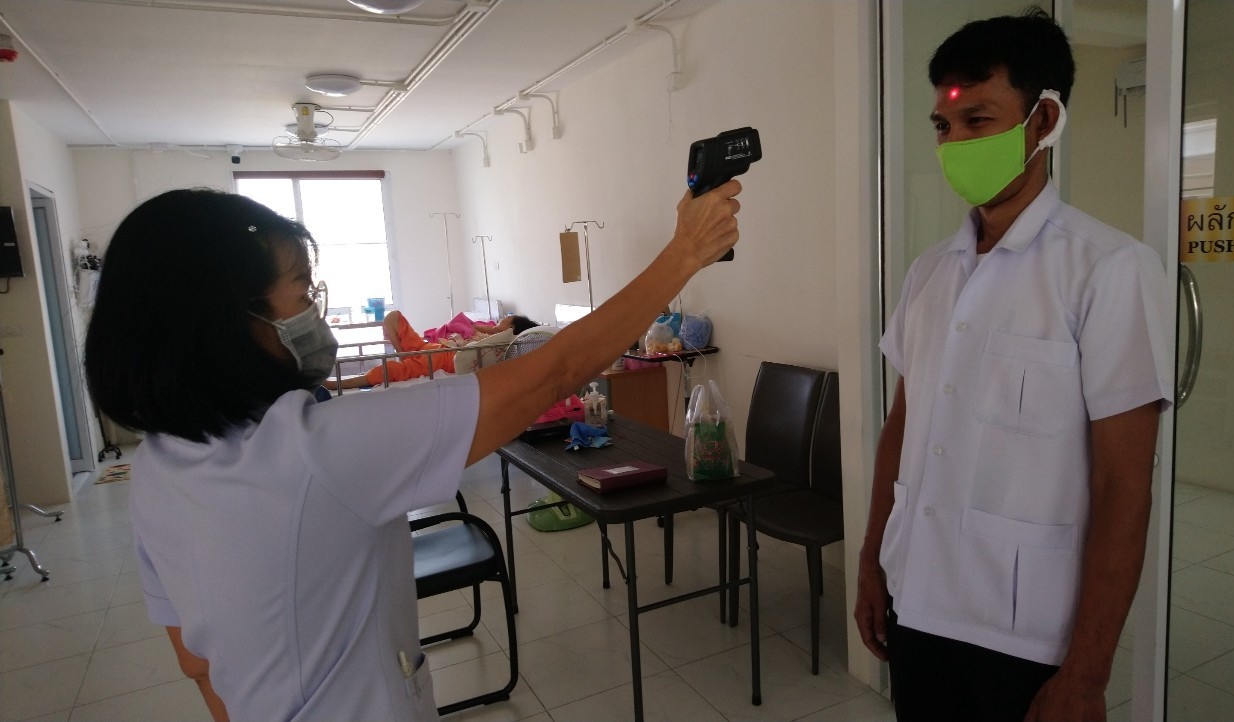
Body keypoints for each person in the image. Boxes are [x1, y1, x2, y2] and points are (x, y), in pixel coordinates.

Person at [82, 182, 740, 721]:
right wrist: (684, 253)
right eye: (303, 293)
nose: (313, 312)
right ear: (228, 322)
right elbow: (555, 371)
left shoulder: (157, 469)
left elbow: (197, 664)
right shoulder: (318, 448)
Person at [853, 9, 1173, 722]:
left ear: (1043, 120)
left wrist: (1086, 675)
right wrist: (873, 560)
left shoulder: (1108, 269)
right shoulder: (930, 272)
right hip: (916, 601)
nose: (955, 143)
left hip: (1025, 632)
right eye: (943, 126)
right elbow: (901, 427)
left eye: (979, 121)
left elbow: (1125, 486)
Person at [324, 310, 536, 389]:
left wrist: (498, 330)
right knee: (394, 317)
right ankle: (404, 356)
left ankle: (336, 384)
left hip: (441, 359)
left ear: (511, 330)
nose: (498, 322)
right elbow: (472, 327)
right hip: (433, 348)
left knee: (390, 371)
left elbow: (479, 336)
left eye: (504, 321)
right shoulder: (494, 335)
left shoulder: (500, 343)